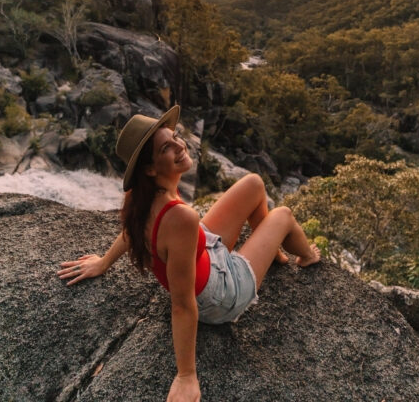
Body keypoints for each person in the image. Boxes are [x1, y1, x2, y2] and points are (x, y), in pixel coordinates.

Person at [56, 105, 320, 401]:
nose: (180, 146)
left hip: (205, 256)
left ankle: (274, 254)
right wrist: (186, 375)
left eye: (176, 137)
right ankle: (307, 256)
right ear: (151, 168)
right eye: (167, 148)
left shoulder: (143, 195)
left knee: (255, 184)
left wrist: (103, 262)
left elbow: (131, 232)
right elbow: (182, 304)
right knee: (282, 215)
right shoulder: (181, 218)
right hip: (219, 296)